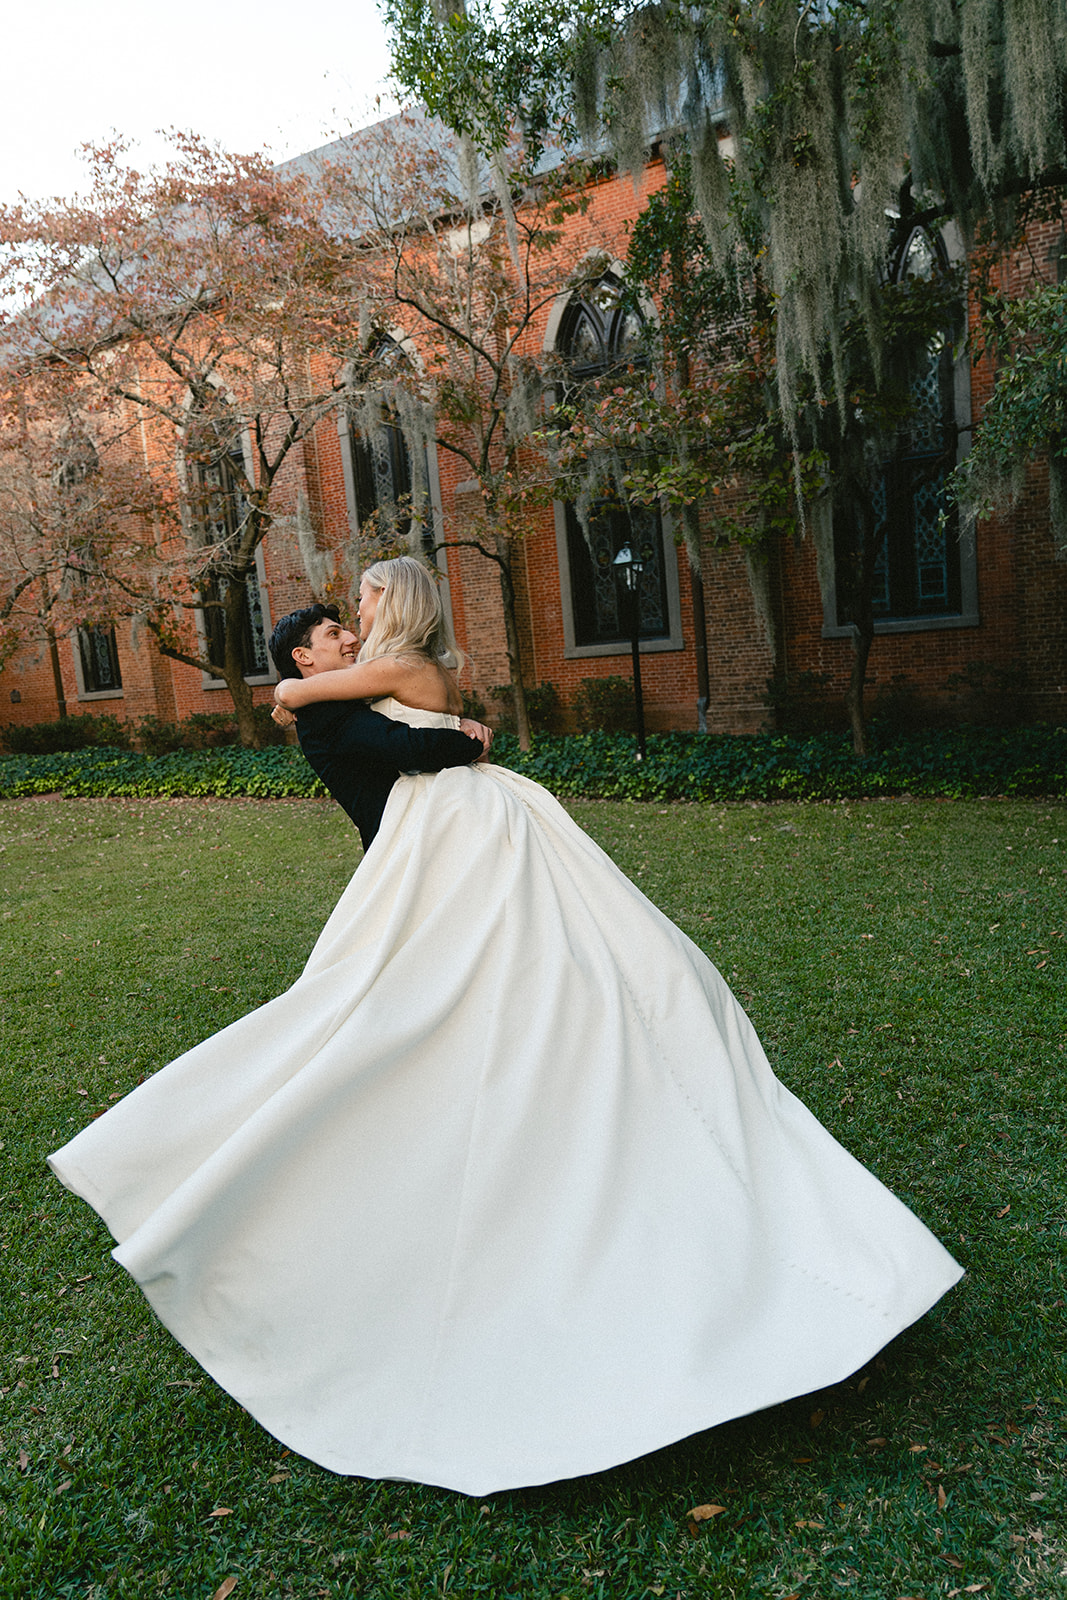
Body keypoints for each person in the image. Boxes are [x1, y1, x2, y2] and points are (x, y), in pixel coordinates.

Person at [48, 556, 962, 1498]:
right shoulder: (373, 686)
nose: (348, 622)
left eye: (356, 605)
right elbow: (391, 738)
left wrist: (317, 693)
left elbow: (358, 716)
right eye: (334, 622)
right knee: (437, 995)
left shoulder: (395, 674)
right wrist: (403, 721)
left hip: (477, 849)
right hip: (450, 855)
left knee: (533, 983)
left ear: (390, 606)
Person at [265, 590, 491, 850]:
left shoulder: (341, 698)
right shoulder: (323, 712)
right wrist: (470, 741)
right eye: (334, 634)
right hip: (400, 846)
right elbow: (410, 748)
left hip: (426, 831)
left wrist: (457, 721)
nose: (351, 638)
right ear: (303, 656)